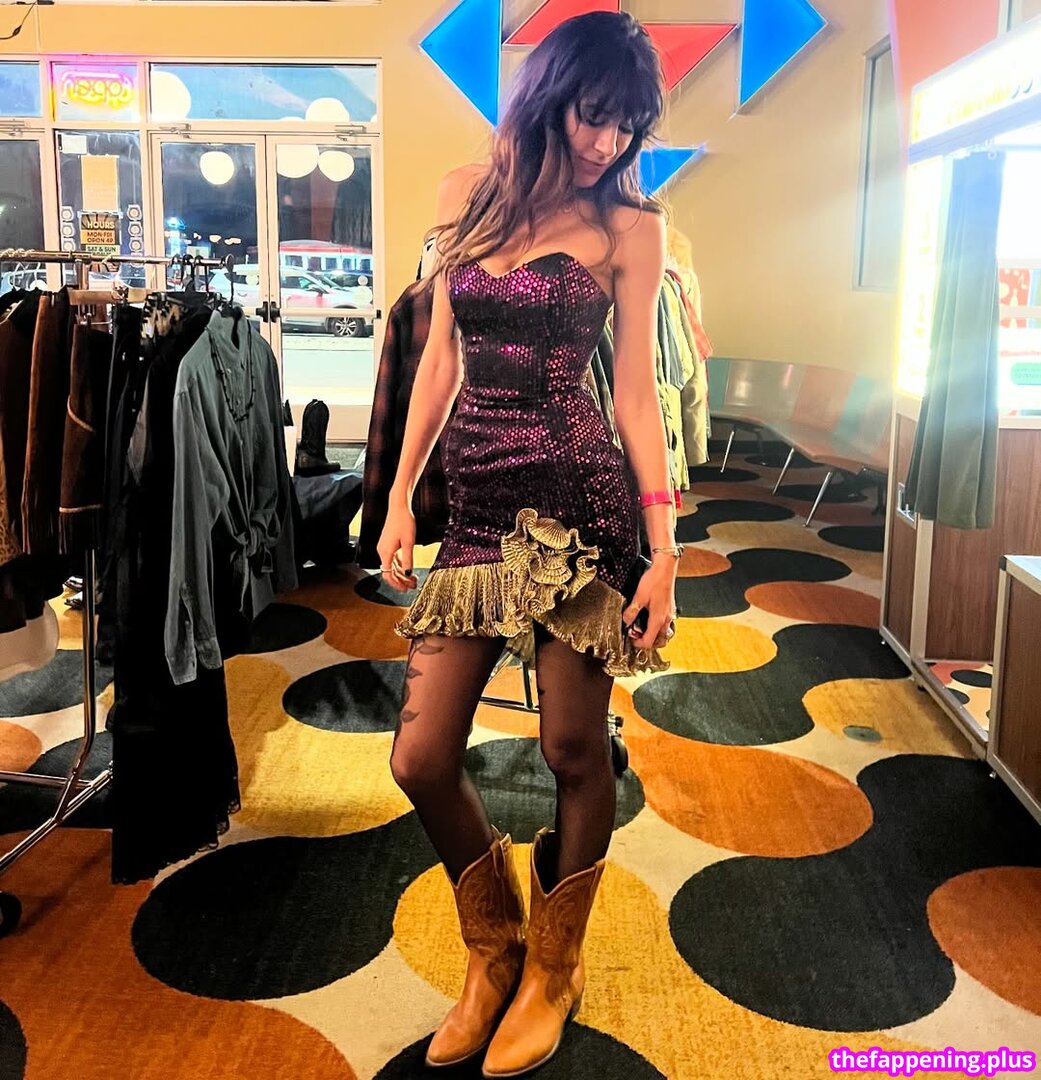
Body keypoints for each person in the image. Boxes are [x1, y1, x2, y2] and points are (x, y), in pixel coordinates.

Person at [377, 11, 680, 1077]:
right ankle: (493, 945)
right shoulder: (467, 194)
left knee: (570, 750)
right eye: (594, 115)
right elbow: (437, 361)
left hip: (577, 508)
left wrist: (664, 548)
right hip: (474, 503)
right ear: (550, 96)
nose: (606, 143)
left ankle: (554, 965)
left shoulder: (630, 228)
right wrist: (399, 494)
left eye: (626, 126)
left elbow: (635, 398)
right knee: (420, 757)